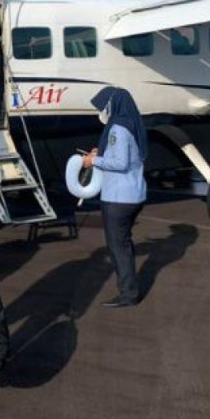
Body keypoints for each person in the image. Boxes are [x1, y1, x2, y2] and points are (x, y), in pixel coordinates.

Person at [83, 87, 148, 307]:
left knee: (118, 247)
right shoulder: (134, 124)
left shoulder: (117, 129)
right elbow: (128, 157)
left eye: (103, 107)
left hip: (118, 197)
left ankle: (128, 293)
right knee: (124, 243)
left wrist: (94, 162)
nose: (102, 112)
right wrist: (100, 154)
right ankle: (130, 288)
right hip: (135, 195)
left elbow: (119, 163)